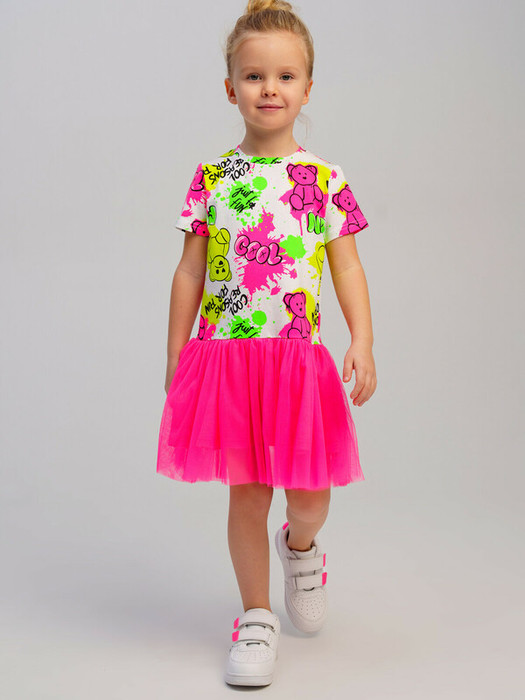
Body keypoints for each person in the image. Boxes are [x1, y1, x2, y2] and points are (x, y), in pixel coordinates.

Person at [156, 0, 377, 687]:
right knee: (246, 495)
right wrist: (176, 353)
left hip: (296, 360)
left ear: (307, 89)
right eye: (254, 77)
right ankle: (255, 617)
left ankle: (300, 547)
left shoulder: (326, 180)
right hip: (228, 360)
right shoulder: (212, 177)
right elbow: (190, 270)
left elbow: (347, 267)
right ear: (231, 89)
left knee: (308, 494)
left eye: (285, 77)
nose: (269, 89)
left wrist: (362, 341)